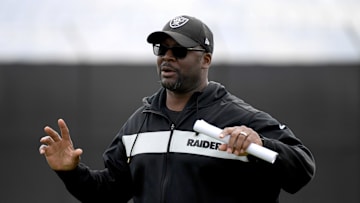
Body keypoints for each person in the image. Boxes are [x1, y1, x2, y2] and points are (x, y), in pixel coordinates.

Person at [39, 15, 316, 203]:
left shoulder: (239, 118)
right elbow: (111, 191)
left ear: (205, 59)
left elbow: (302, 168)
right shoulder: (139, 124)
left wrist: (261, 144)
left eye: (180, 51)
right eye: (162, 49)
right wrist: (71, 173)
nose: (167, 57)